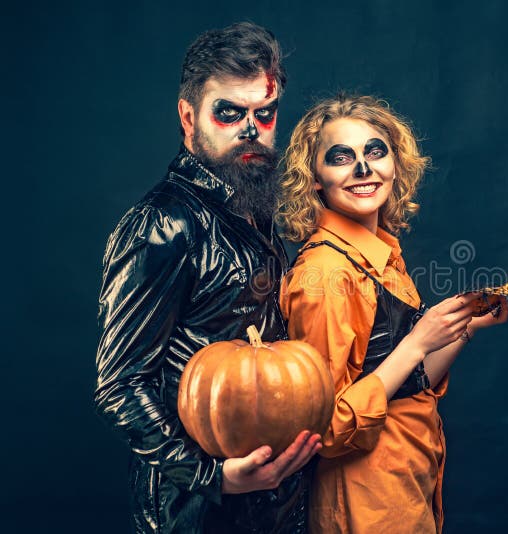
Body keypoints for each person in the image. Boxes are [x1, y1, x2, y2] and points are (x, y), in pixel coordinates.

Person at [94, 22, 321, 534]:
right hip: (196, 512)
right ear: (188, 116)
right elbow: (120, 384)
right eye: (229, 113)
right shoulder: (162, 225)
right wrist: (211, 476)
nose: (250, 130)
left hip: (273, 504)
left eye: (264, 114)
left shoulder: (251, 208)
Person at [277, 94, 508, 533]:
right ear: (314, 179)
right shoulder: (325, 273)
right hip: (364, 500)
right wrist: (419, 339)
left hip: (406, 482)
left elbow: (406, 383)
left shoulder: (380, 253)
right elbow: (325, 428)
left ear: (396, 164)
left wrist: (463, 327)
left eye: (375, 151)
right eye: (341, 157)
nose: (363, 169)